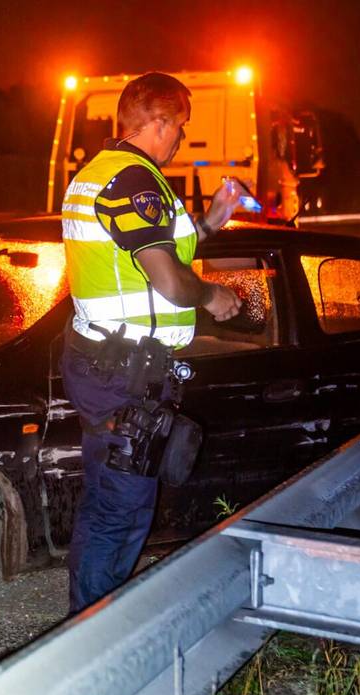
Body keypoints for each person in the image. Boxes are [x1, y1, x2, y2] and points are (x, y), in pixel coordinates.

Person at [61, 72, 243, 612]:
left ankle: (86, 619)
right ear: (158, 122)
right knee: (120, 510)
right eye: (180, 127)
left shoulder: (101, 174)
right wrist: (211, 296)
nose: (181, 139)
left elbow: (149, 248)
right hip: (123, 372)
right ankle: (91, 631)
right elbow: (166, 277)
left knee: (108, 501)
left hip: (109, 362)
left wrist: (208, 223)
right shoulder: (133, 181)